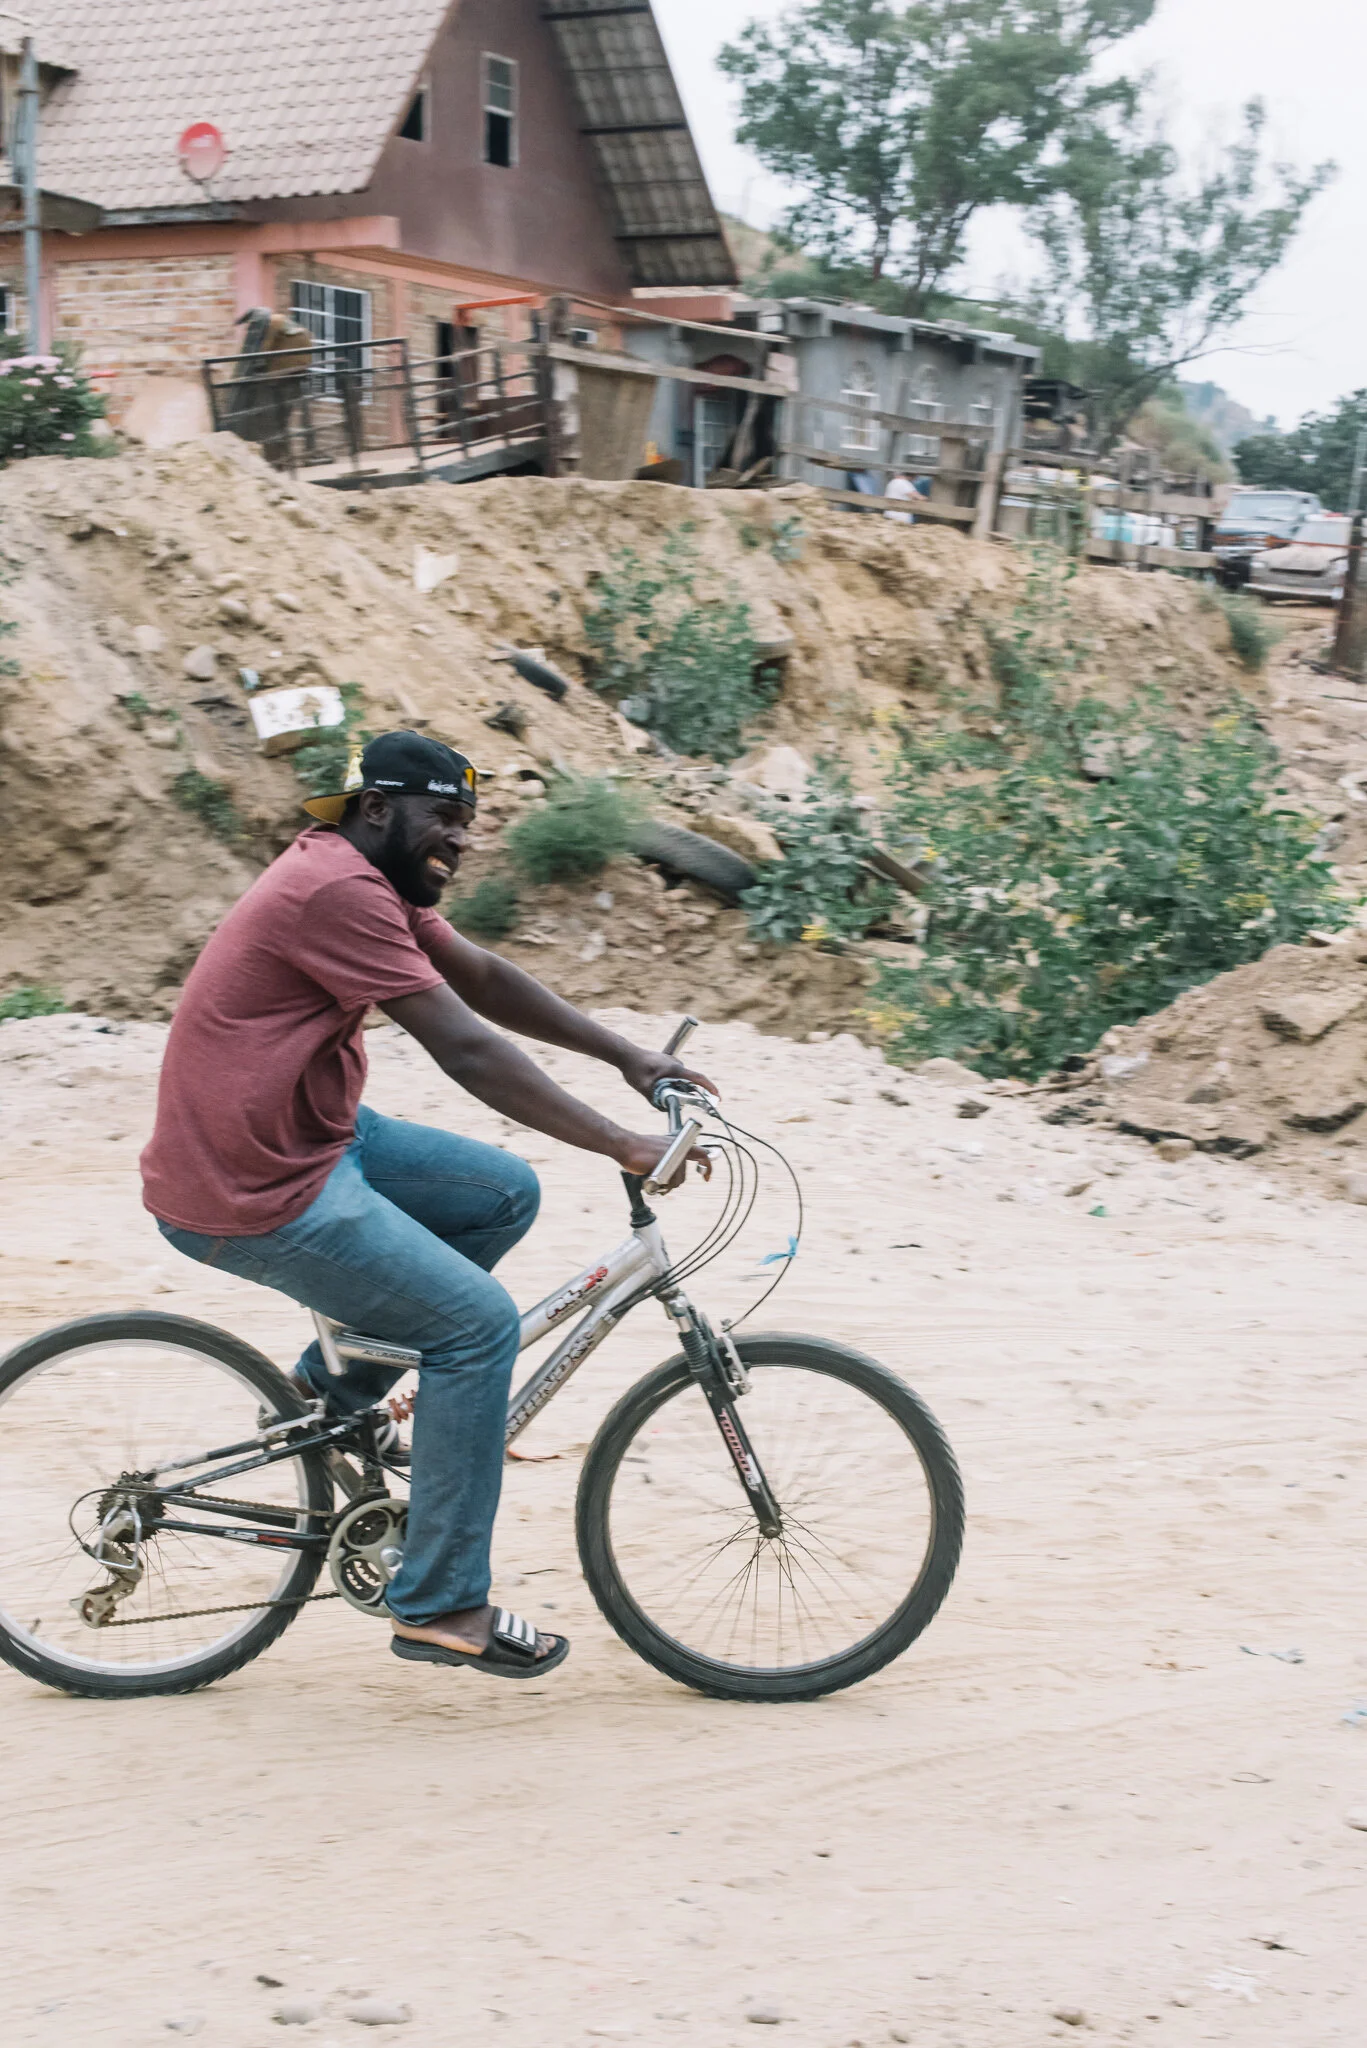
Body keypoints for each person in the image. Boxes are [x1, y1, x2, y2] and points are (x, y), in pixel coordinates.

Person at [141, 731, 713, 1682]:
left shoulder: (370, 878)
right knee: (475, 1329)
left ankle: (330, 1399)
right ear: (376, 810)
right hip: (249, 1180)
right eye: (444, 817)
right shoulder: (336, 891)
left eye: (468, 821)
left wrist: (629, 1056)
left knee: (500, 1194)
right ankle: (443, 1604)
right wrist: (620, 1141)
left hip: (305, 1137)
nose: (461, 838)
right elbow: (466, 1046)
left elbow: (481, 977)